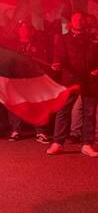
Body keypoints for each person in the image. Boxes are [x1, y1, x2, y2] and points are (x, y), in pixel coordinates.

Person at [47, 12, 98, 157]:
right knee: (63, 110)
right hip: (70, 80)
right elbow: (59, 57)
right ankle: (58, 143)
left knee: (89, 112)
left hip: (90, 80)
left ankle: (87, 144)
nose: (79, 21)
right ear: (71, 22)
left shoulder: (92, 38)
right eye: (75, 19)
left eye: (81, 19)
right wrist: (56, 65)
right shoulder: (63, 39)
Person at [10, 21, 50, 143]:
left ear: (31, 31)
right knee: (17, 104)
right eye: (21, 28)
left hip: (34, 80)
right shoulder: (13, 45)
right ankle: (16, 130)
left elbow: (43, 62)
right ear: (18, 31)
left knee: (37, 105)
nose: (24, 30)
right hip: (18, 79)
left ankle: (40, 131)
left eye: (27, 28)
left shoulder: (37, 45)